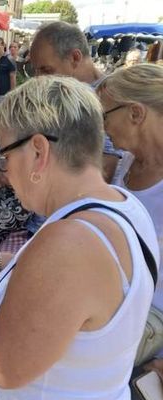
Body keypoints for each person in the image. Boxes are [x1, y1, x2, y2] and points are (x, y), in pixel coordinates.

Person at [0, 75, 159, 399]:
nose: (6, 171)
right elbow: (84, 288)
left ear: (39, 151)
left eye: (5, 156)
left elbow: (2, 365)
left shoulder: (71, 244)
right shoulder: (123, 206)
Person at [28, 20, 125, 237]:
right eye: (35, 70)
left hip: (66, 228)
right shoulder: (62, 91)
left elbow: (104, 171)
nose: (39, 78)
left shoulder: (107, 99)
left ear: (75, 57)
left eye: (46, 69)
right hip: (45, 223)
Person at [96, 64, 163, 370]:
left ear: (136, 113)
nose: (103, 127)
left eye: (105, 115)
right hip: (113, 308)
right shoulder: (126, 164)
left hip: (149, 327)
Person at [0, 37, 16, 107]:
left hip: (3, 95)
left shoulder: (9, 59)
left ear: (3, 45)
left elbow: (13, 77)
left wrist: (11, 94)